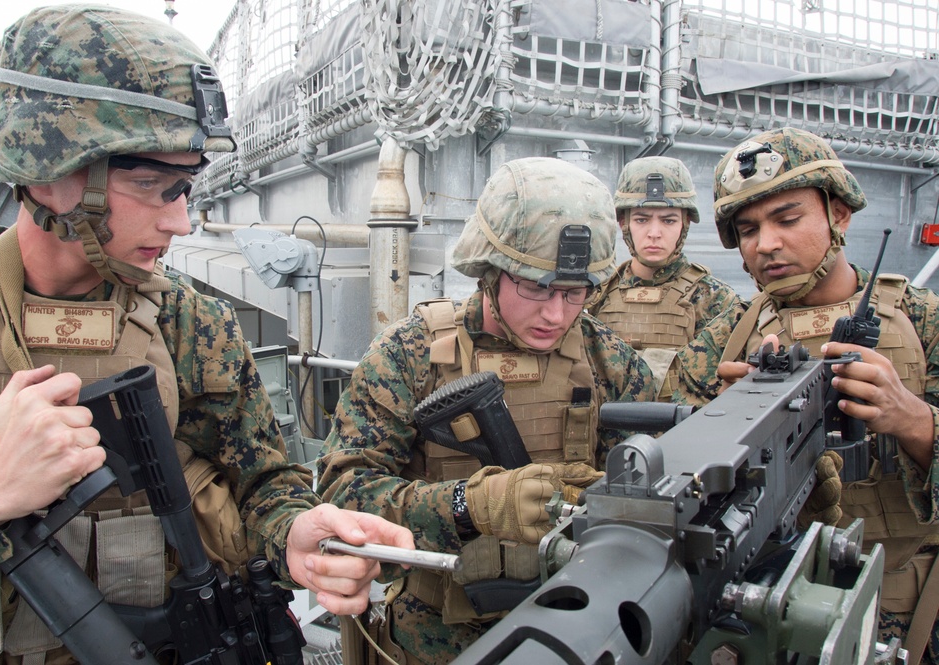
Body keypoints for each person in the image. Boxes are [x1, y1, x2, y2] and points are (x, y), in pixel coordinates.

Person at [0, 6, 413, 664]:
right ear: (53, 172)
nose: (183, 222)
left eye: (185, 188)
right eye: (153, 186)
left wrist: (297, 531)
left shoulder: (192, 324)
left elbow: (265, 484)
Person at [317, 157, 655, 665]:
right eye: (536, 287)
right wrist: (467, 506)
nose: (555, 314)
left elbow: (651, 494)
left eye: (573, 293)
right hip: (435, 641)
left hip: (575, 629)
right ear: (491, 271)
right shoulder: (409, 356)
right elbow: (342, 500)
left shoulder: (609, 361)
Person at [671, 127, 939, 664]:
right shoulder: (720, 342)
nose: (765, 243)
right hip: (760, 614)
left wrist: (914, 421)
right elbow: (666, 482)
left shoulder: (922, 321)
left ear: (838, 214)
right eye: (748, 229)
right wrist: (718, 426)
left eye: (787, 219)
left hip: (902, 612)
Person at [589, 156, 739, 399]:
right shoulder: (597, 295)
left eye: (668, 220)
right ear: (623, 223)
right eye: (642, 219)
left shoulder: (716, 300)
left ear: (685, 224)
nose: (654, 233)